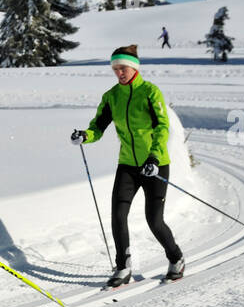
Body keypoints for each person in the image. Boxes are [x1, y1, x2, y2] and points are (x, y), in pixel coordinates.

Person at [71, 44, 184, 287]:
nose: (119, 73)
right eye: (115, 69)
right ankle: (123, 266)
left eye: (123, 68)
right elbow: (98, 127)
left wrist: (154, 157)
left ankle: (176, 258)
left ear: (133, 68)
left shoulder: (150, 92)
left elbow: (162, 127)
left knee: (154, 221)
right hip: (128, 165)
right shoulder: (112, 96)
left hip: (155, 165)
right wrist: (86, 135)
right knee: (118, 216)